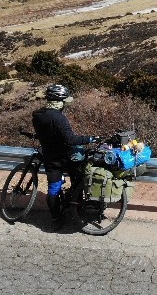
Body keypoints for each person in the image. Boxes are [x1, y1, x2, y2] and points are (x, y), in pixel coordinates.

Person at [32, 84, 95, 225]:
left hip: (49, 157)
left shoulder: (37, 115)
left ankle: (56, 219)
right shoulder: (59, 118)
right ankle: (75, 208)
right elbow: (70, 140)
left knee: (53, 189)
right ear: (59, 101)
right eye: (64, 101)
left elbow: (46, 133)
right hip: (64, 157)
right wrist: (90, 138)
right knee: (78, 178)